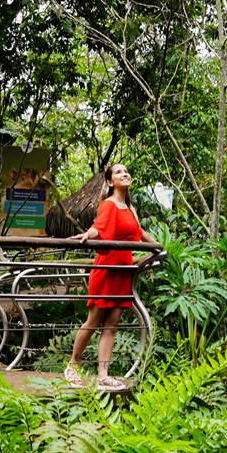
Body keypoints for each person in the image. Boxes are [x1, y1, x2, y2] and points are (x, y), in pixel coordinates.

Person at [66, 163, 149, 391]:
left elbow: (138, 233)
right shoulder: (108, 204)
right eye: (119, 172)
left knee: (112, 324)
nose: (125, 174)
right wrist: (87, 235)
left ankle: (103, 374)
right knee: (94, 320)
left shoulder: (129, 209)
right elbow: (98, 227)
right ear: (110, 182)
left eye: (126, 171)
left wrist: (158, 248)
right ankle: (73, 365)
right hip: (106, 269)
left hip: (123, 271)